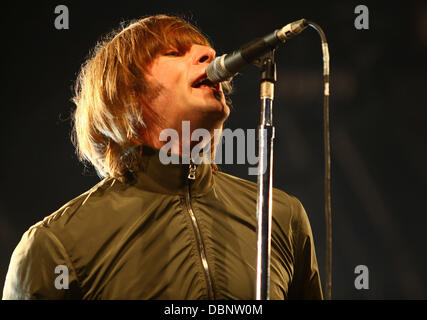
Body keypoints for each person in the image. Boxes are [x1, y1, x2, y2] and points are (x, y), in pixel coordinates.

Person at [2, 14, 323, 300]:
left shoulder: (281, 215)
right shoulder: (54, 245)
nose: (209, 54)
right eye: (175, 52)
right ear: (126, 93)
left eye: (205, 50)